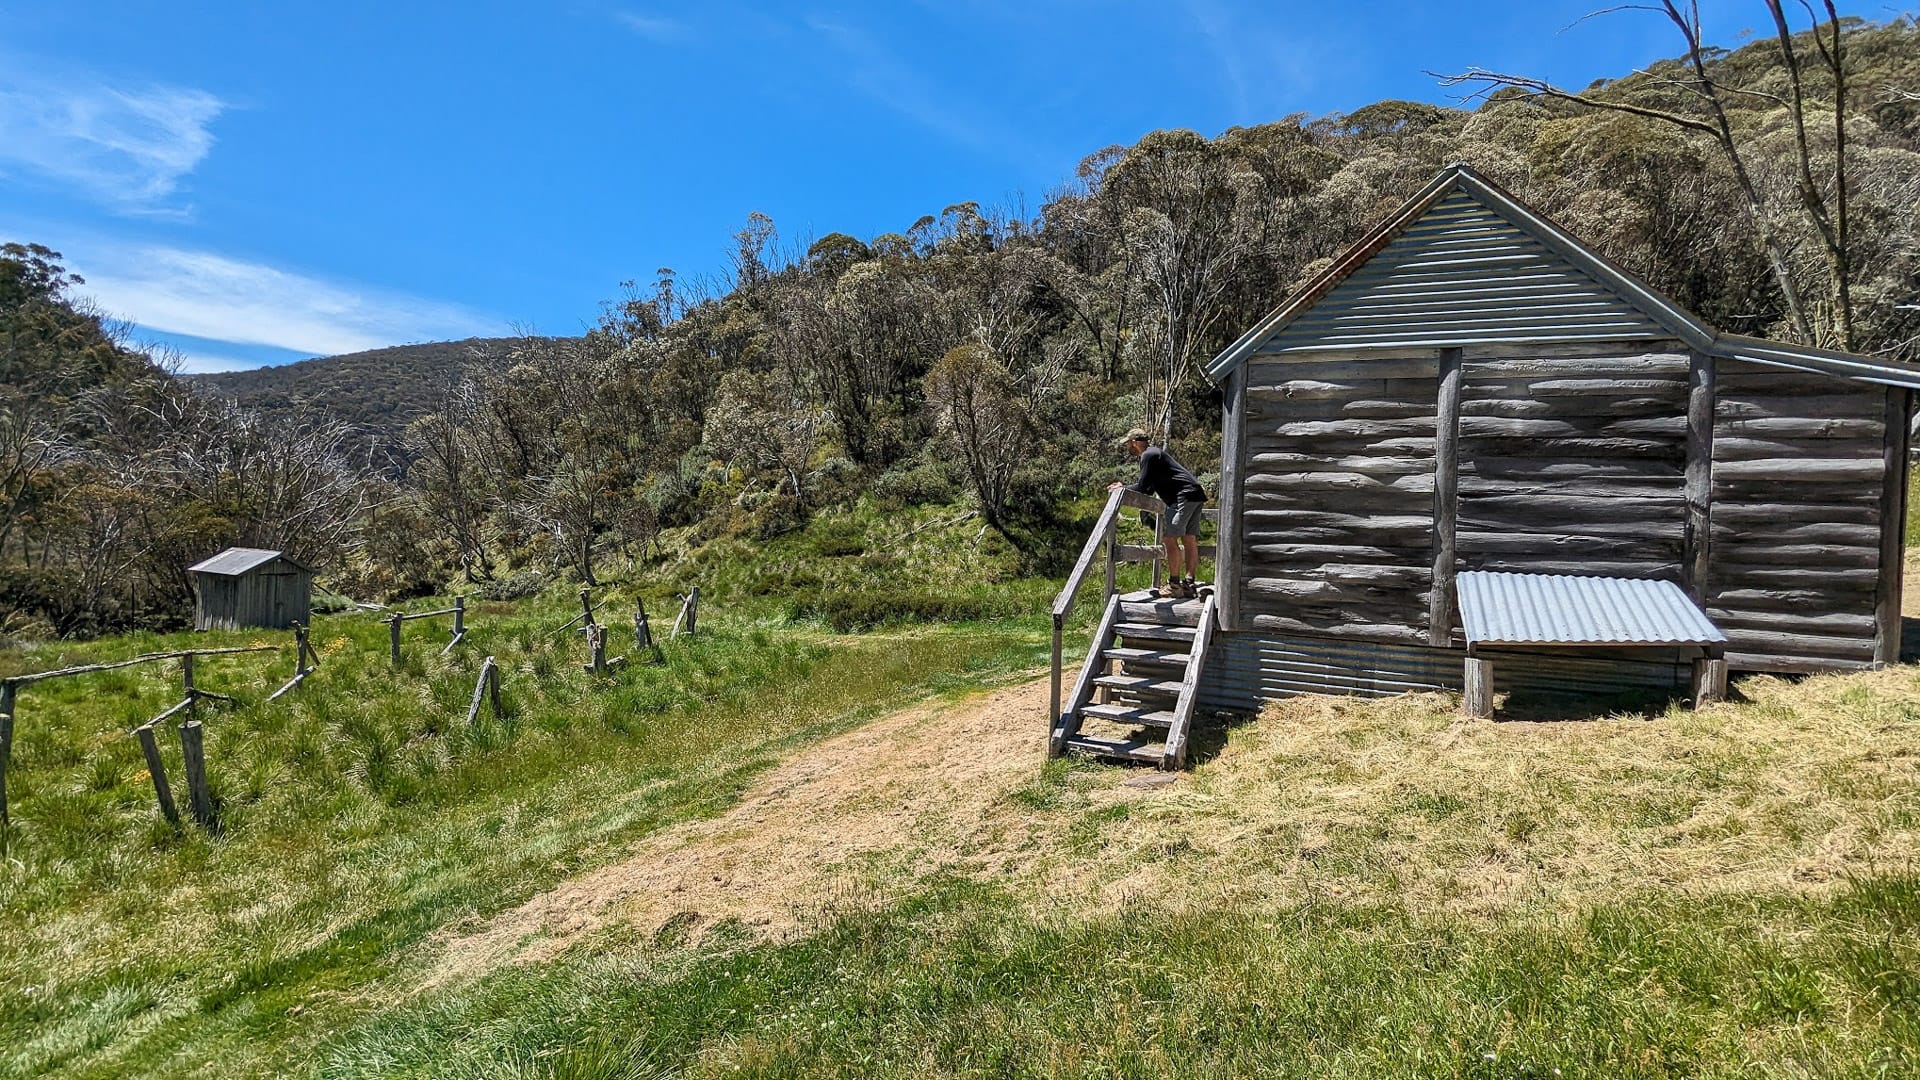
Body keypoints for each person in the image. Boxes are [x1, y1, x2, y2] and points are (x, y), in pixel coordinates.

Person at [1107, 427, 1207, 599]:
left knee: (1169, 538)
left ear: (1135, 442)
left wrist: (1121, 488)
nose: (1128, 448)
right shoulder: (1155, 454)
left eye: (1128, 444)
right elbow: (1150, 487)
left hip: (1183, 496)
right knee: (1189, 538)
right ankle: (1189, 583)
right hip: (1195, 493)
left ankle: (1174, 585)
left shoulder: (1148, 455)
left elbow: (1142, 488)